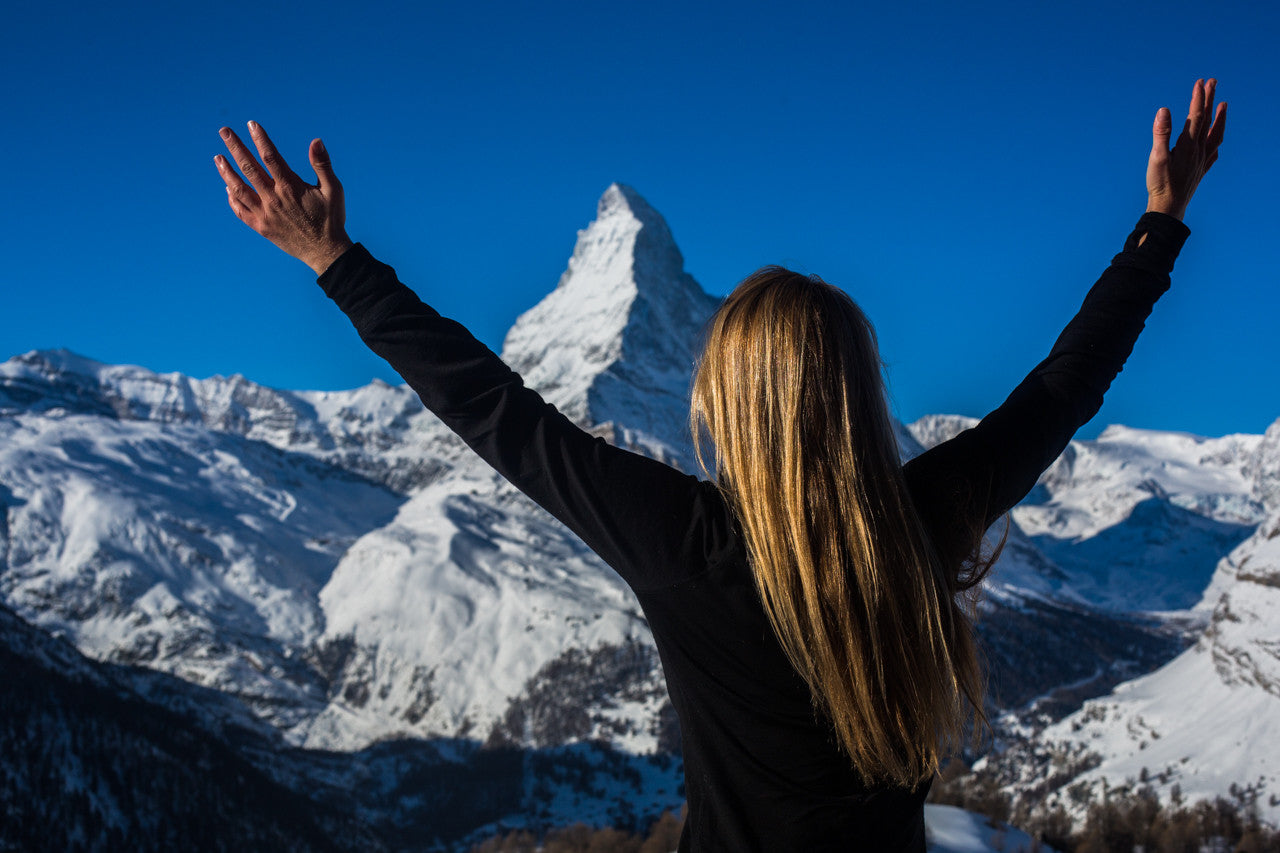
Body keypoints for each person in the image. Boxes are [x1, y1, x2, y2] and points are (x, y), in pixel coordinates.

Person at [213, 79, 1225, 851]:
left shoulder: (682, 540)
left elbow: (492, 408)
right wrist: (1159, 223)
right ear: (858, 394)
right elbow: (1063, 387)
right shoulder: (922, 517)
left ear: (725, 401)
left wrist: (333, 260)